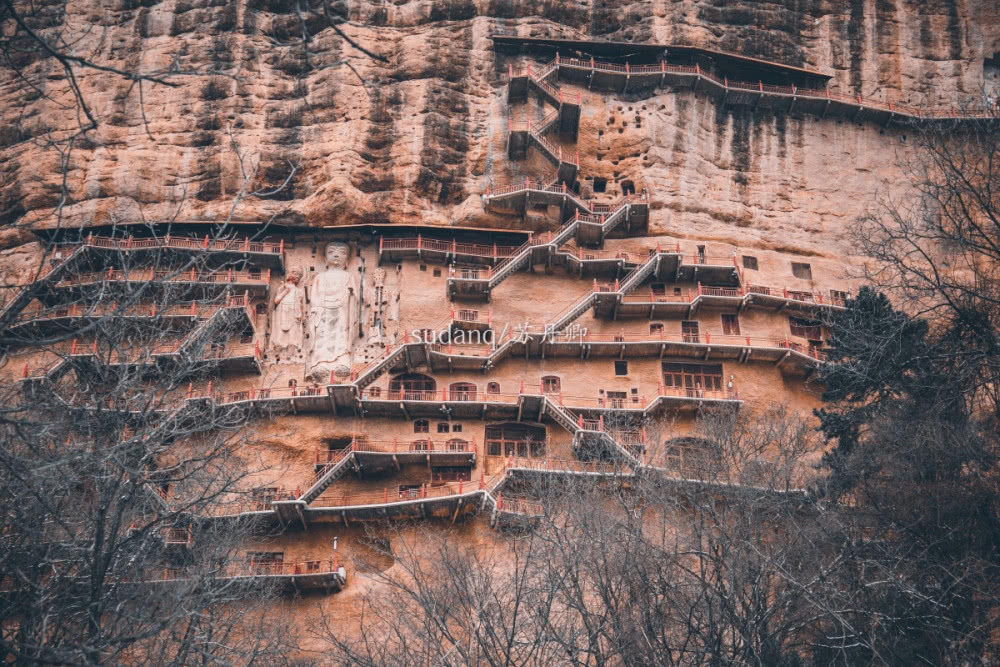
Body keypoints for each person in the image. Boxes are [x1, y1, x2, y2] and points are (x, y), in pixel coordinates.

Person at [307, 242, 357, 381]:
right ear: (324, 259)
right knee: (322, 335)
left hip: (342, 308)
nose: (336, 255)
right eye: (331, 252)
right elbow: (314, 297)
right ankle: (321, 363)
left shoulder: (348, 276)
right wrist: (318, 309)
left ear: (347, 260)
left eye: (341, 252)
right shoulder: (320, 277)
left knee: (341, 334)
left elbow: (355, 297)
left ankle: (342, 361)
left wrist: (351, 295)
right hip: (323, 310)